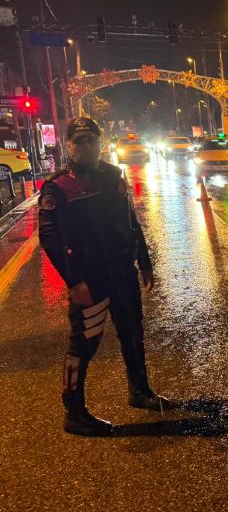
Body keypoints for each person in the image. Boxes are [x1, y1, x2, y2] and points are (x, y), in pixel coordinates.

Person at [38, 117, 169, 437]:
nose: (86, 146)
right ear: (68, 146)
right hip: (90, 281)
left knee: (132, 332)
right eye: (79, 141)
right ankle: (75, 411)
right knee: (83, 344)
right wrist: (75, 282)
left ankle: (140, 391)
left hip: (122, 273)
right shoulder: (58, 187)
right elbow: (50, 239)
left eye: (91, 140)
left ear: (100, 142)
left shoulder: (114, 175)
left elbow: (130, 220)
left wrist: (145, 262)